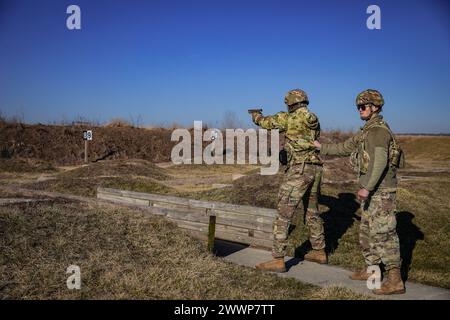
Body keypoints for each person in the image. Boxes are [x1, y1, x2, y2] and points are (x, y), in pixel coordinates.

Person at [313, 89, 405, 295]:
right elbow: (345, 147)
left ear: (375, 107)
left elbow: (380, 162)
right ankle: (373, 272)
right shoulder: (366, 131)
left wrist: (367, 187)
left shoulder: (378, 132)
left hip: (381, 191)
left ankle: (395, 280)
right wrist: (321, 147)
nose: (359, 110)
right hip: (372, 191)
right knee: (367, 233)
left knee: (384, 234)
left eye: (363, 106)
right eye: (358, 107)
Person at [249, 89, 327, 273]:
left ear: (290, 102)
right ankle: (319, 251)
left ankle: (277, 259)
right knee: (312, 211)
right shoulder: (313, 118)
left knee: (283, 213)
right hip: (315, 168)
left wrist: (256, 116)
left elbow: (266, 123)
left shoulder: (288, 117)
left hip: (298, 169)